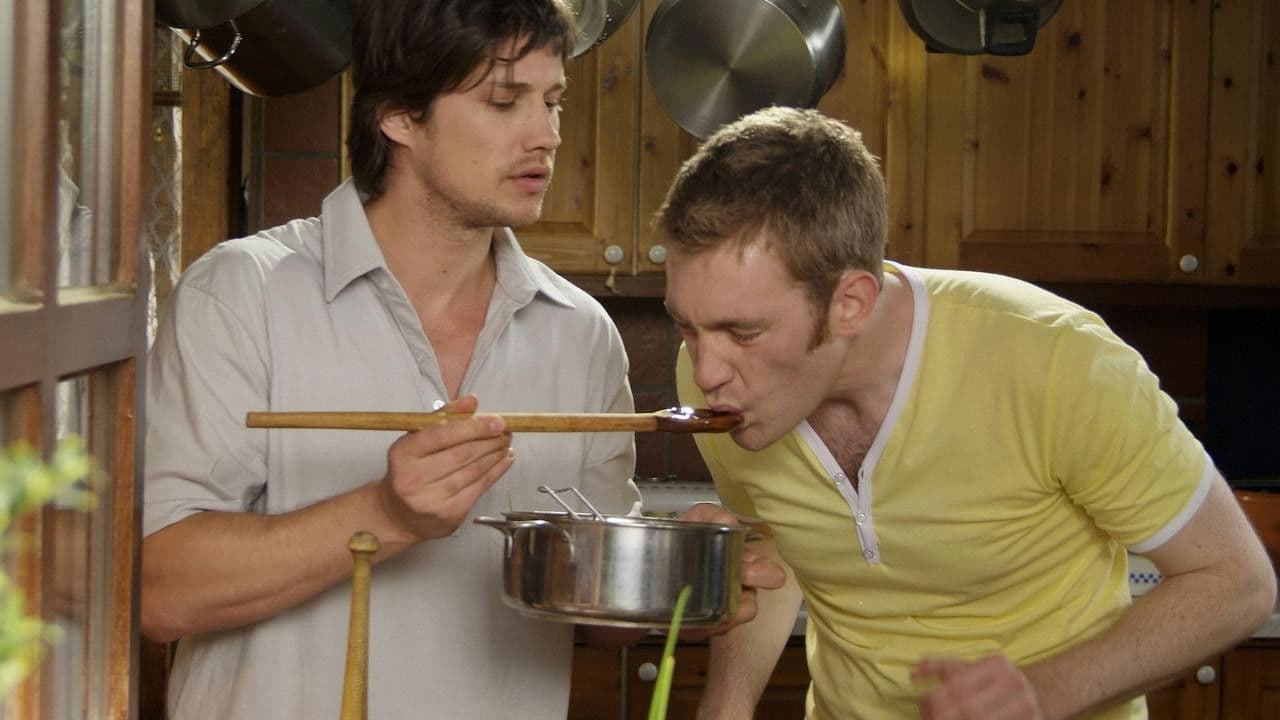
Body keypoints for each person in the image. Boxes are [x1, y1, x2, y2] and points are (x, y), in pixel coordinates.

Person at [657, 106, 1277, 720]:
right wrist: (727, 704)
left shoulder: (1056, 358)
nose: (707, 372)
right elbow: (771, 546)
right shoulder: (720, 377)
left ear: (850, 304)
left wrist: (1040, 694)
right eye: (687, 325)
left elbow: (1236, 581)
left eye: (743, 332)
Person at [141, 2, 653, 717]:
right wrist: (386, 513)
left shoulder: (581, 333)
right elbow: (159, 591)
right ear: (399, 116)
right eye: (504, 101)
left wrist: (689, 578)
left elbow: (600, 615)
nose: (547, 134)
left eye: (552, 101)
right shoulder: (241, 293)